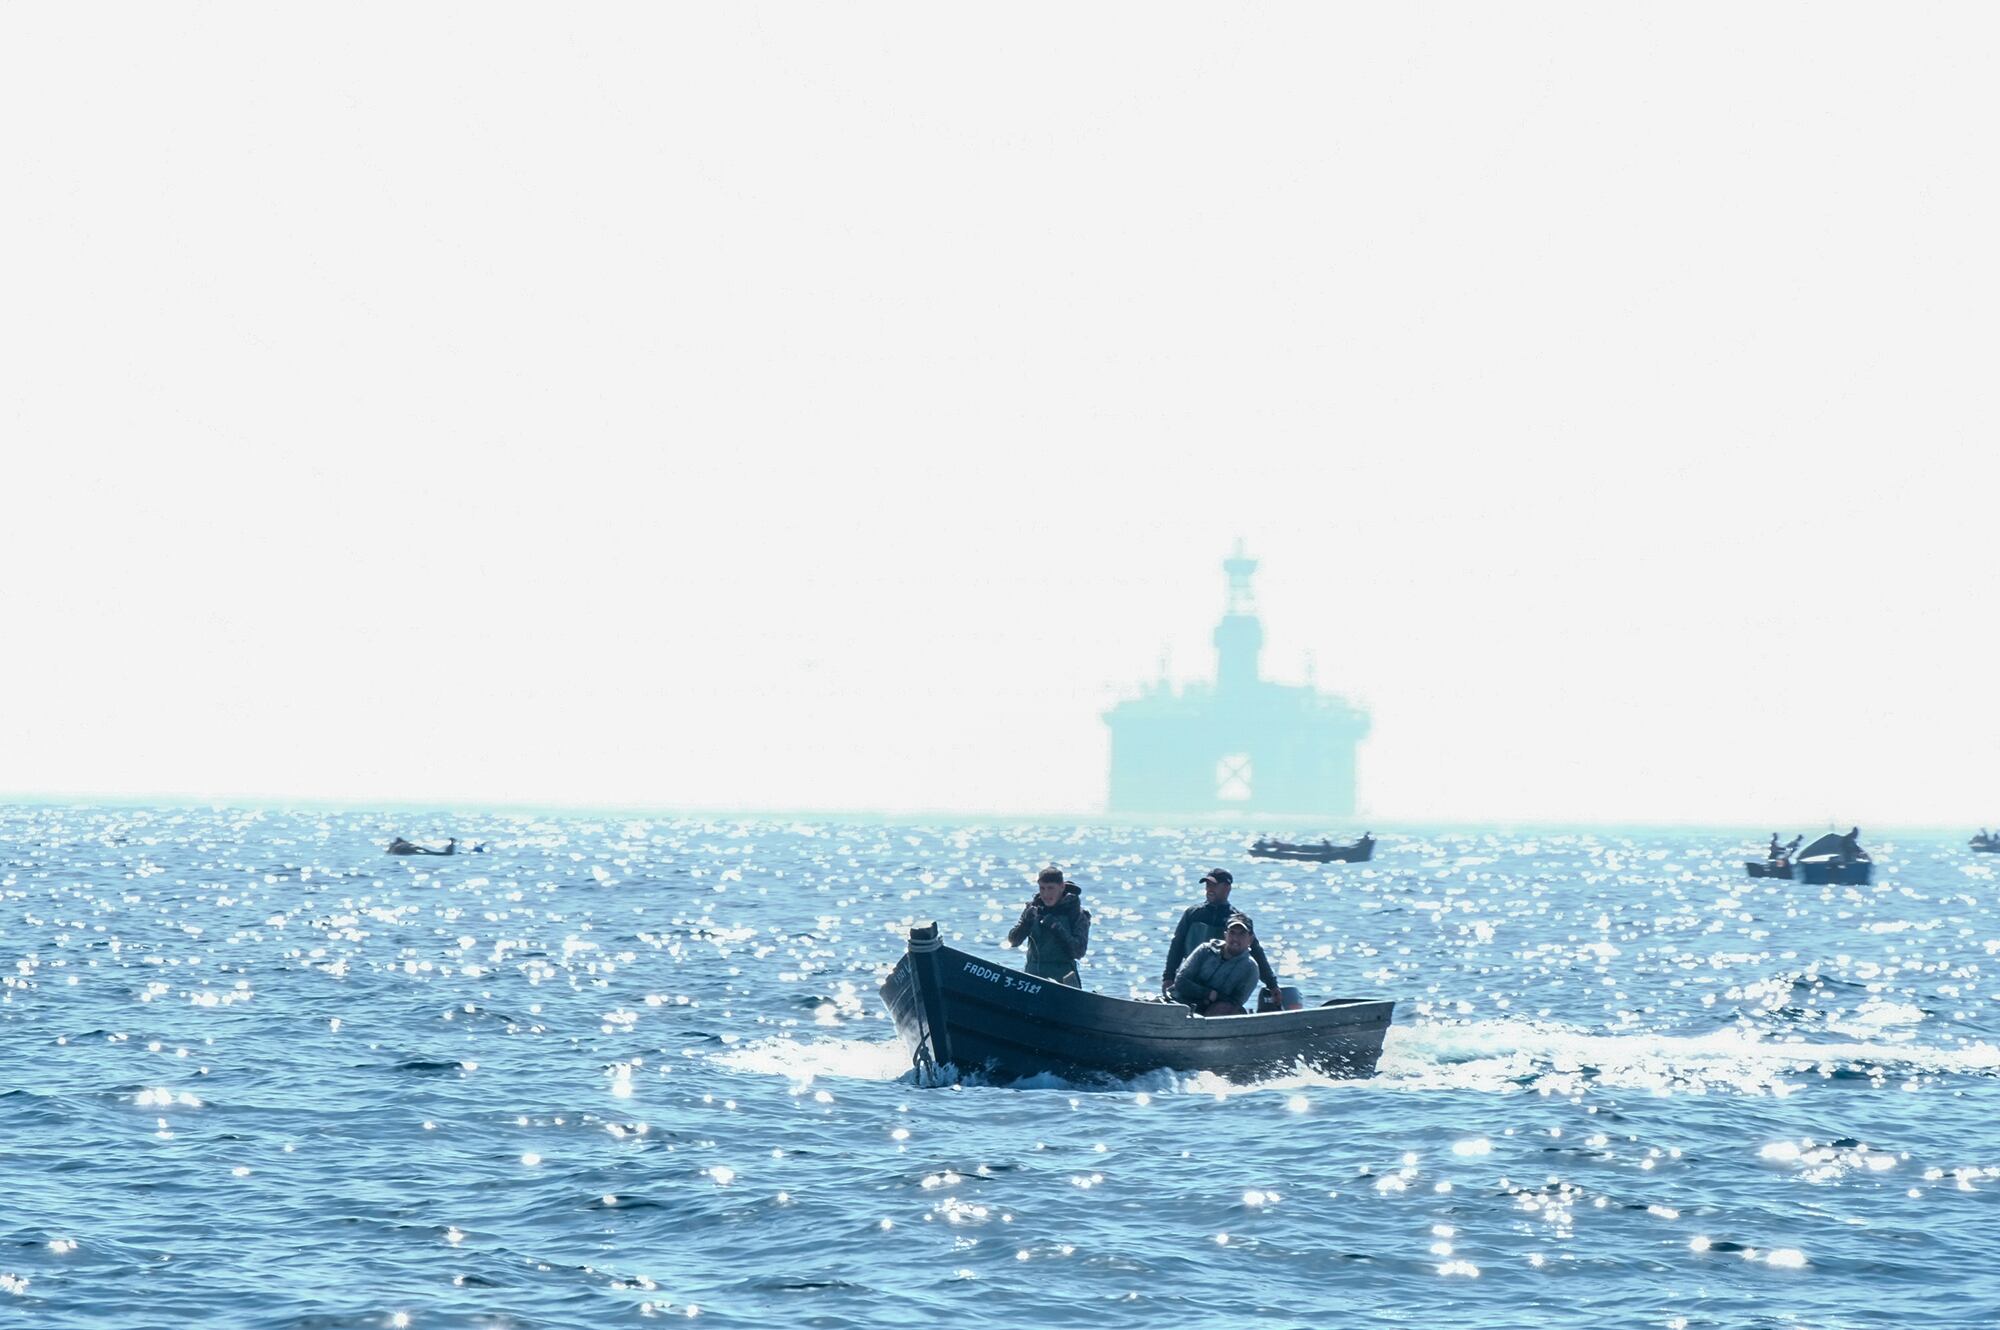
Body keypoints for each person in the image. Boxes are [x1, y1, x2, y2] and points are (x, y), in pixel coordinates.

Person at [1160, 868, 1280, 1005]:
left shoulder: (1235, 921)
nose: (1210, 889)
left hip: (1220, 987)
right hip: (1191, 980)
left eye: (1214, 885)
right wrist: (1168, 977)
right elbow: (1177, 947)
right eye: (1208, 885)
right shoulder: (1192, 914)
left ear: (1227, 888)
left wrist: (1272, 984)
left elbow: (1256, 952)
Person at [1005, 866, 1087, 987]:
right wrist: (1026, 922)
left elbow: (1079, 952)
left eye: (1050, 888)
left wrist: (1057, 928)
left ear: (1062, 887)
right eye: (1042, 888)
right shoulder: (1033, 909)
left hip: (1063, 982)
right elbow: (1013, 941)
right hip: (1032, 980)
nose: (1045, 893)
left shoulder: (1077, 914)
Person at [1170, 915, 1261, 1015]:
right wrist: (1208, 994)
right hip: (1179, 1004)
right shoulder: (1205, 950)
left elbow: (1235, 1003)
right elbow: (1181, 981)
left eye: (1242, 934)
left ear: (1250, 939)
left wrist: (1214, 1000)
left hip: (1212, 1016)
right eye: (1232, 933)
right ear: (1225, 935)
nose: (1235, 938)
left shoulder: (1251, 969)